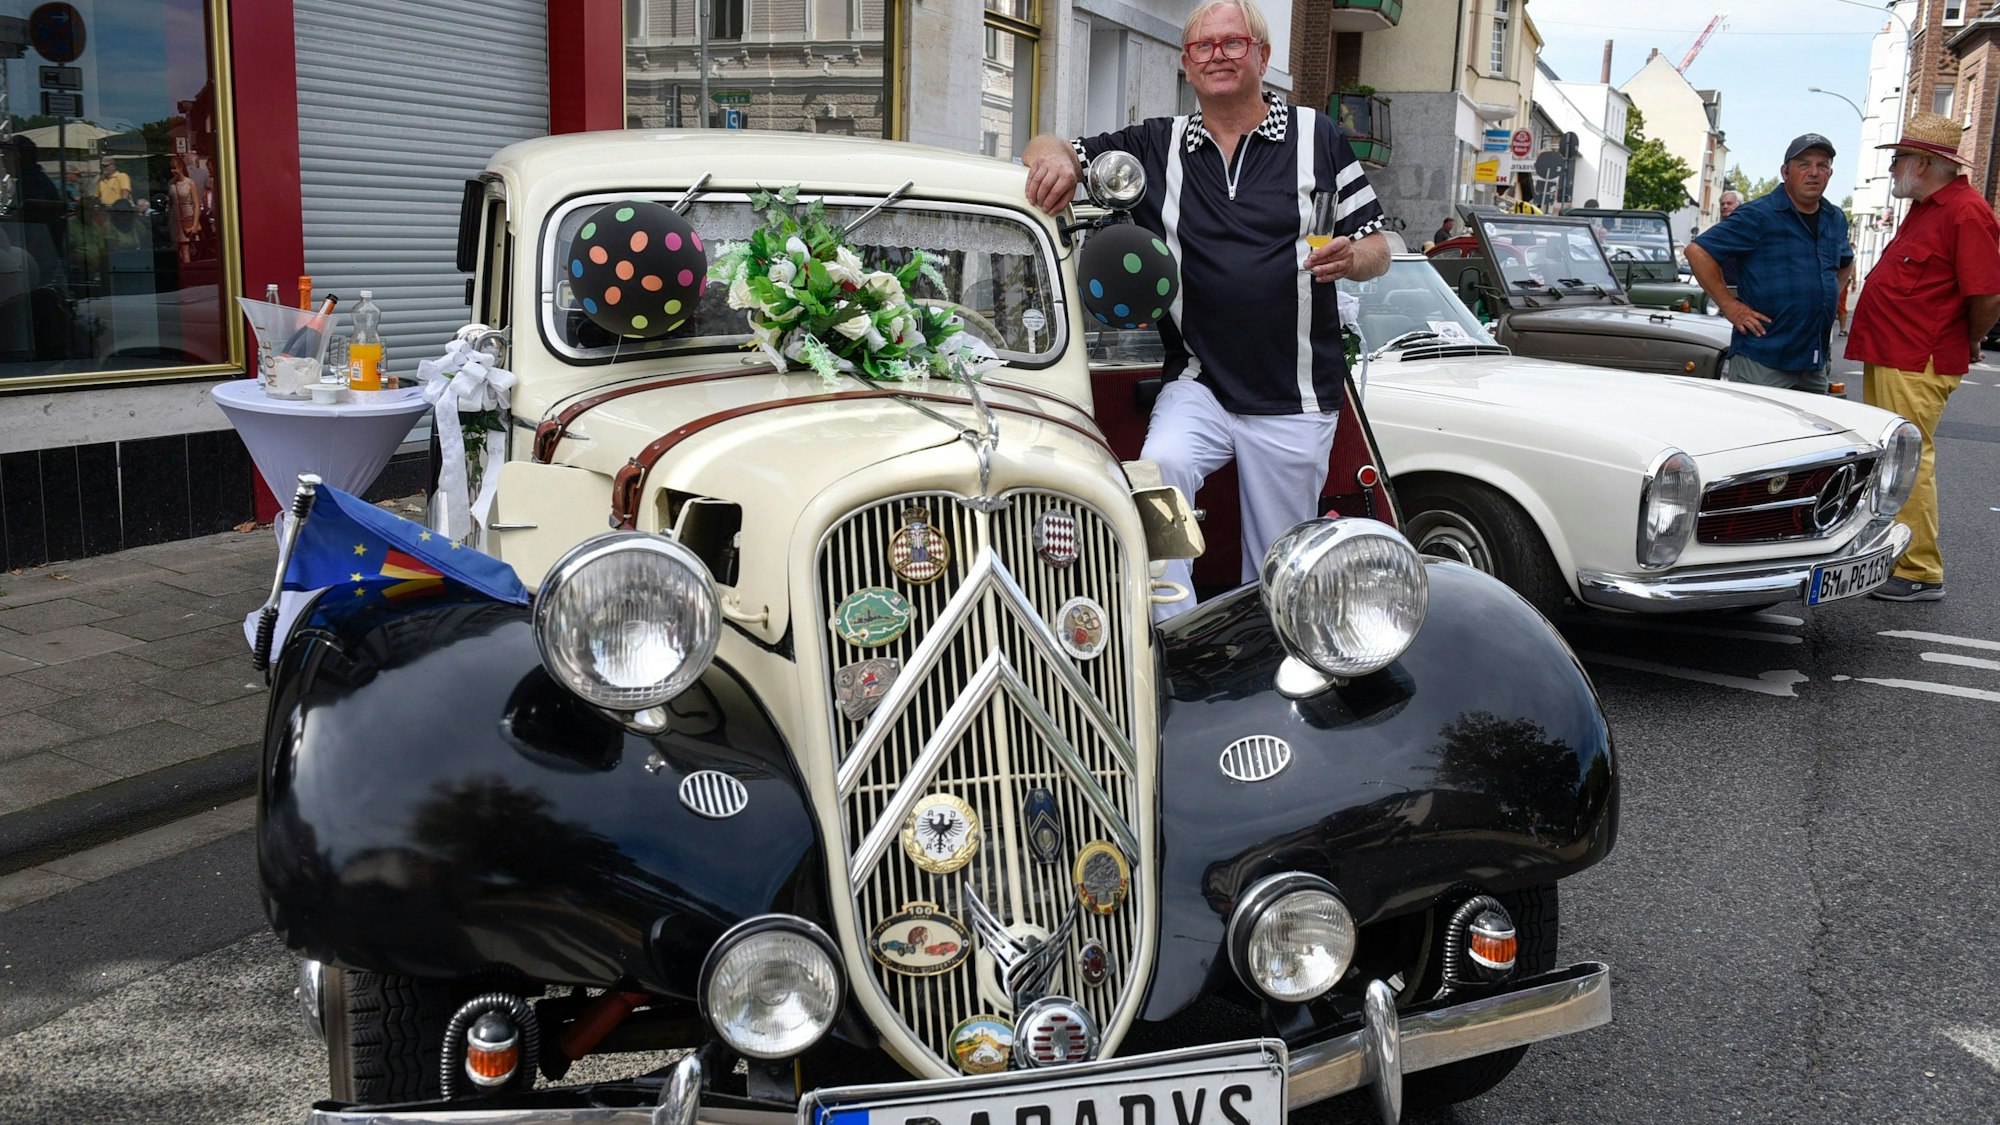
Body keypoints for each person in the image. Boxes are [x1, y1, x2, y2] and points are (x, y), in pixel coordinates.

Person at [1020, 0, 1389, 618]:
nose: (1217, 55)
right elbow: (1052, 144)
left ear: (1263, 56)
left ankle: (1268, 669)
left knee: (1278, 558)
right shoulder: (1154, 144)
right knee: (1156, 474)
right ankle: (1177, 635)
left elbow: (1380, 244)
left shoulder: (1317, 137)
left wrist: (1354, 257)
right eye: (1202, 47)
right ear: (1187, 65)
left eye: (1232, 43)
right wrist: (1053, 158)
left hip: (1292, 393)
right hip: (1199, 381)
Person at [1845, 112, 2000, 602]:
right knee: (1897, 458)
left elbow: (1989, 295)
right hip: (1900, 350)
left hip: (1918, 355)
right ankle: (1899, 556)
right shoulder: (1931, 207)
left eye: (1898, 158)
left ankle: (1918, 569)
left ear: (1926, 162)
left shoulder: (1964, 212)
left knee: (1908, 461)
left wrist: (1970, 338)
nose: (1892, 168)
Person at [1685, 133, 1851, 393]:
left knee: (1814, 433)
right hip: (1764, 358)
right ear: (1786, 171)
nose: (1814, 173)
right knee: (1758, 431)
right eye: (1804, 164)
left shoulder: (1835, 218)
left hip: (1813, 362)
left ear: (1830, 173)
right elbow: (1697, 251)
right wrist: (1730, 306)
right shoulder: (1758, 214)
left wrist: (1826, 299)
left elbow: (1845, 262)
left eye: (1823, 166)